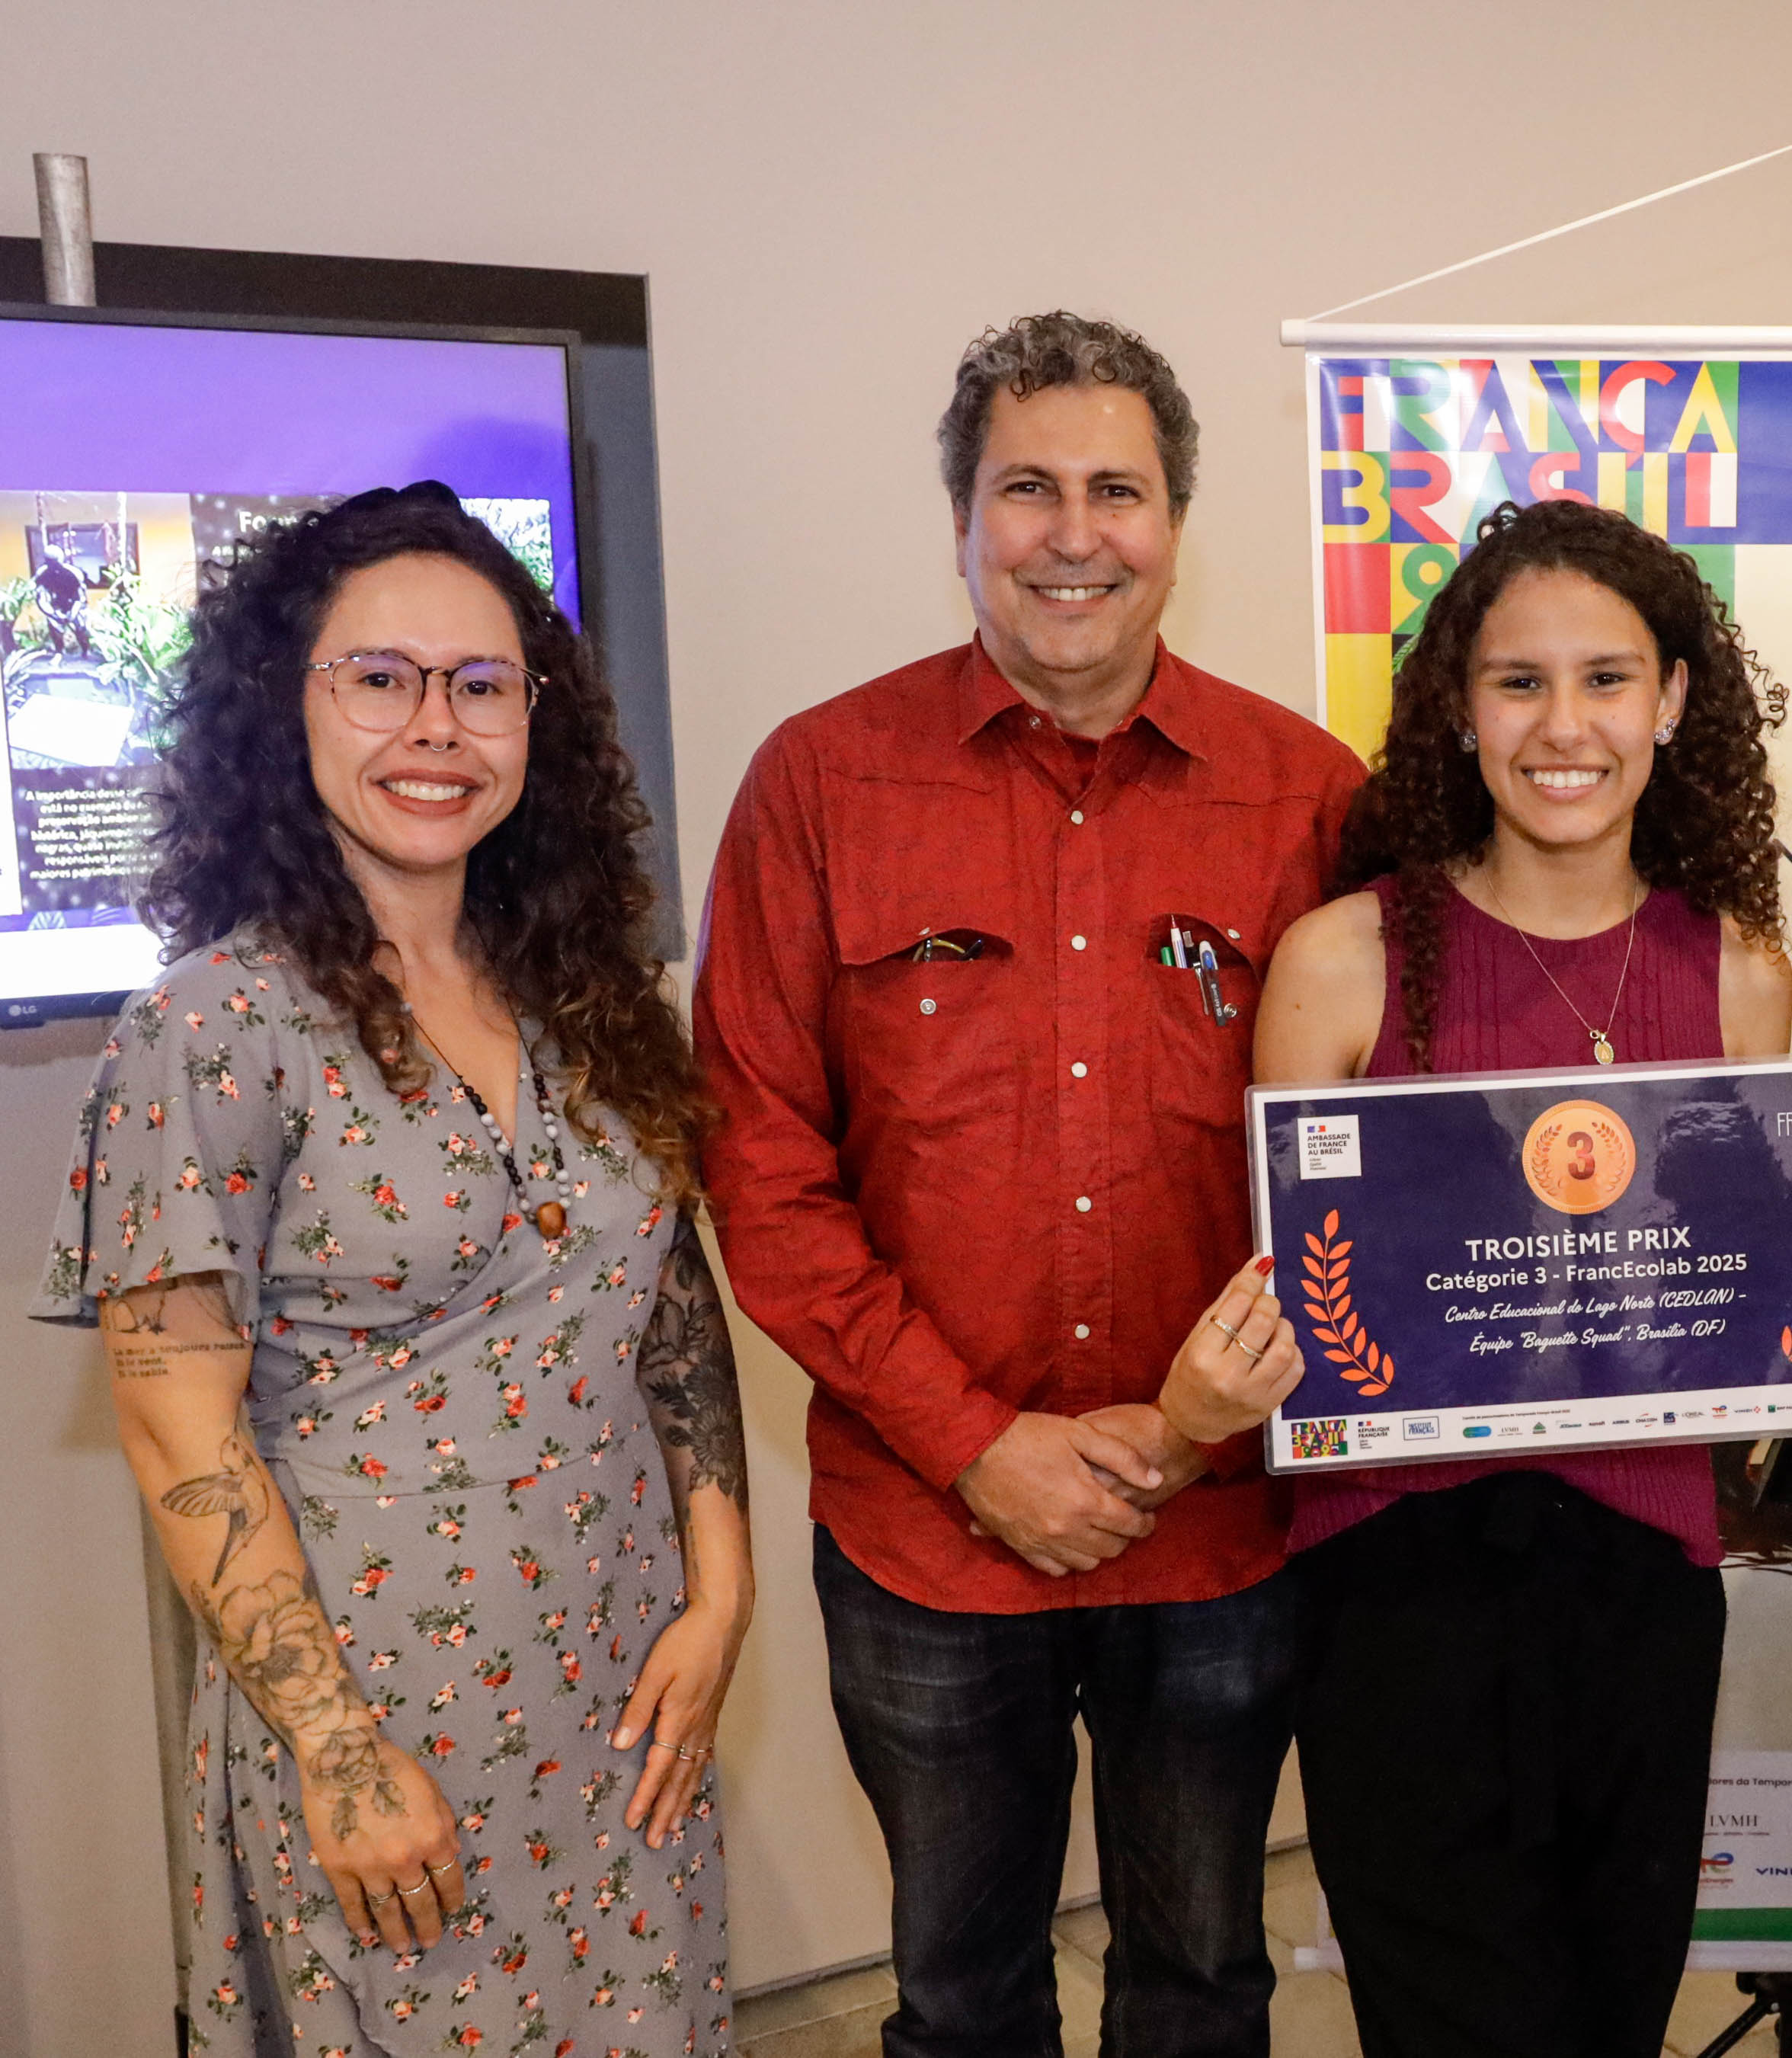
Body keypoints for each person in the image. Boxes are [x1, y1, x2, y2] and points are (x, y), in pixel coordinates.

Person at [695, 312, 1357, 2058]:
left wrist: (1183, 1433)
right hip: (928, 1533)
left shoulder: (1310, 795)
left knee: (1203, 1984)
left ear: (1176, 521)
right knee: (960, 1993)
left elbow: (1375, 1165)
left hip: (1221, 1528)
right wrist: (977, 1440)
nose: (1075, 533)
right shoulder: (820, 782)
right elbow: (759, 1158)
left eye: (1118, 491)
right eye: (1028, 489)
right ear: (965, 518)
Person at [1254, 497, 1792, 2057]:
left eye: (1605, 678)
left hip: (1643, 1579)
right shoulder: (1344, 957)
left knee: (1607, 2014)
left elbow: (1731, 1287)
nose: (1562, 724)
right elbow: (1285, 1303)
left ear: (1671, 701)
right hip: (1397, 1588)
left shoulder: (1732, 969)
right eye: (1518, 681)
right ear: (1457, 709)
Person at [35, 482, 750, 2056]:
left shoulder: (584, 996)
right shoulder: (208, 1030)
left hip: (627, 1704)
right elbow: (180, 1432)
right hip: (382, 1735)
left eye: (481, 685)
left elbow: (666, 1304)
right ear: (279, 705)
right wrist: (341, 1754)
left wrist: (721, 1585)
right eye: (379, 676)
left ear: (535, 725)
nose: (436, 725)